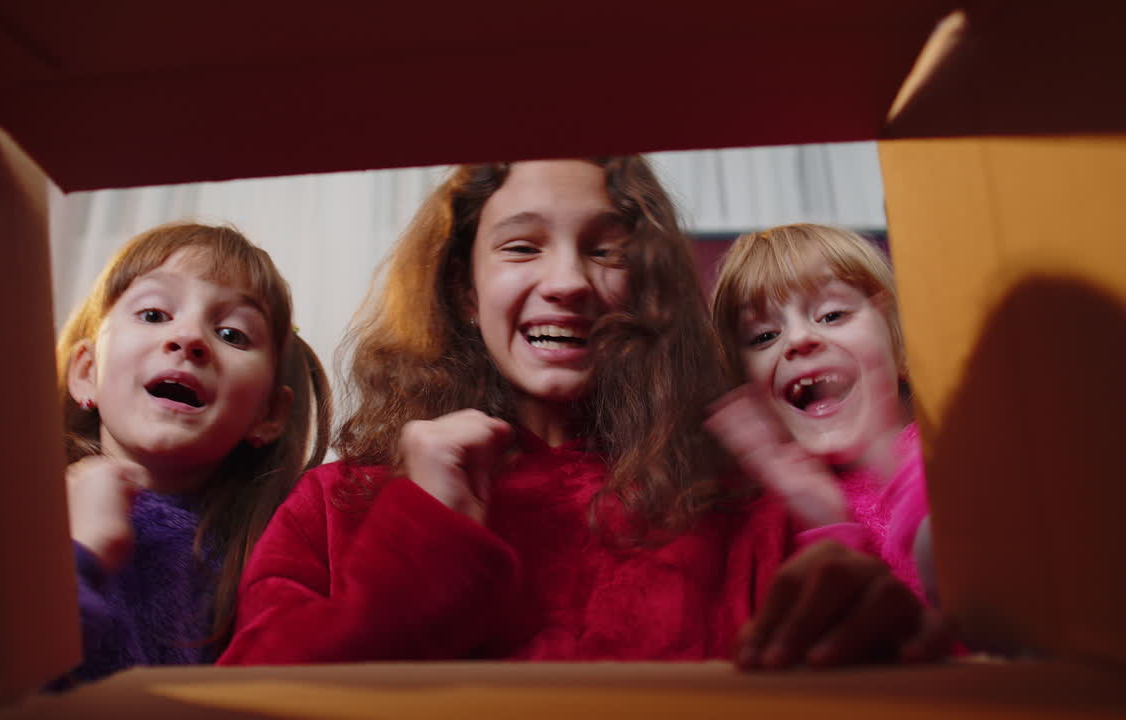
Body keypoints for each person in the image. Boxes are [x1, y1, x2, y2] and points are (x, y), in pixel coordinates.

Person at [219, 160, 947, 669]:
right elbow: (248, 697)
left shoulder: (737, 510)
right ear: (466, 292)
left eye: (605, 250)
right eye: (522, 246)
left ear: (647, 293)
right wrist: (421, 534)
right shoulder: (334, 503)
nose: (567, 281)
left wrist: (865, 642)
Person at [54, 222, 331, 684]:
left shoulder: (273, 557)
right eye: (153, 315)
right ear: (86, 372)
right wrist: (80, 552)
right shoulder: (20, 518)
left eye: (232, 333)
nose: (189, 339)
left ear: (267, 414)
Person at [707, 223, 933, 602]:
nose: (798, 340)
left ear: (897, 342)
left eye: (831, 315)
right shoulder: (766, 525)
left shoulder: (954, 468)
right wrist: (829, 523)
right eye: (764, 336)